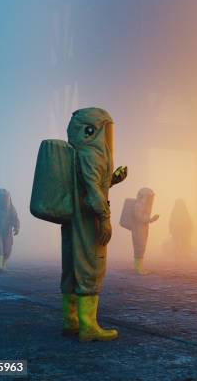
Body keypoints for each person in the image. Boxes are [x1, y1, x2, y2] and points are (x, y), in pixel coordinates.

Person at [61, 107, 127, 342]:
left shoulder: (75, 153)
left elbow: (90, 184)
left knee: (70, 268)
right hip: (89, 220)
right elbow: (92, 194)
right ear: (94, 129)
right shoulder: (93, 154)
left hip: (71, 219)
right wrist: (105, 219)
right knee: (91, 267)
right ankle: (89, 328)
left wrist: (113, 179)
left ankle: (71, 321)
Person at [127, 188, 159, 275]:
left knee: (141, 248)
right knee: (139, 247)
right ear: (143, 196)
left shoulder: (142, 205)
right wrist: (151, 219)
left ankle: (139, 267)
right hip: (138, 229)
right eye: (148, 197)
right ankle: (138, 269)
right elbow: (139, 217)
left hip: (142, 228)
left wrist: (150, 219)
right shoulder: (138, 205)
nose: (150, 199)